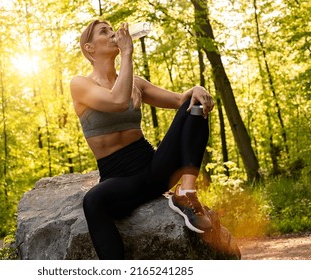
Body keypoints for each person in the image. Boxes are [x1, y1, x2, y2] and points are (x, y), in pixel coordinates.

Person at [70, 20, 215, 260]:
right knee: (93, 200)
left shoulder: (135, 82)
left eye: (112, 28)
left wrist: (197, 88)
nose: (114, 33)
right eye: (104, 32)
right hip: (120, 181)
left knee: (195, 106)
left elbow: (181, 100)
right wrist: (127, 52)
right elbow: (117, 101)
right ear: (89, 49)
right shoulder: (80, 84)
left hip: (154, 169)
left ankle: (186, 193)